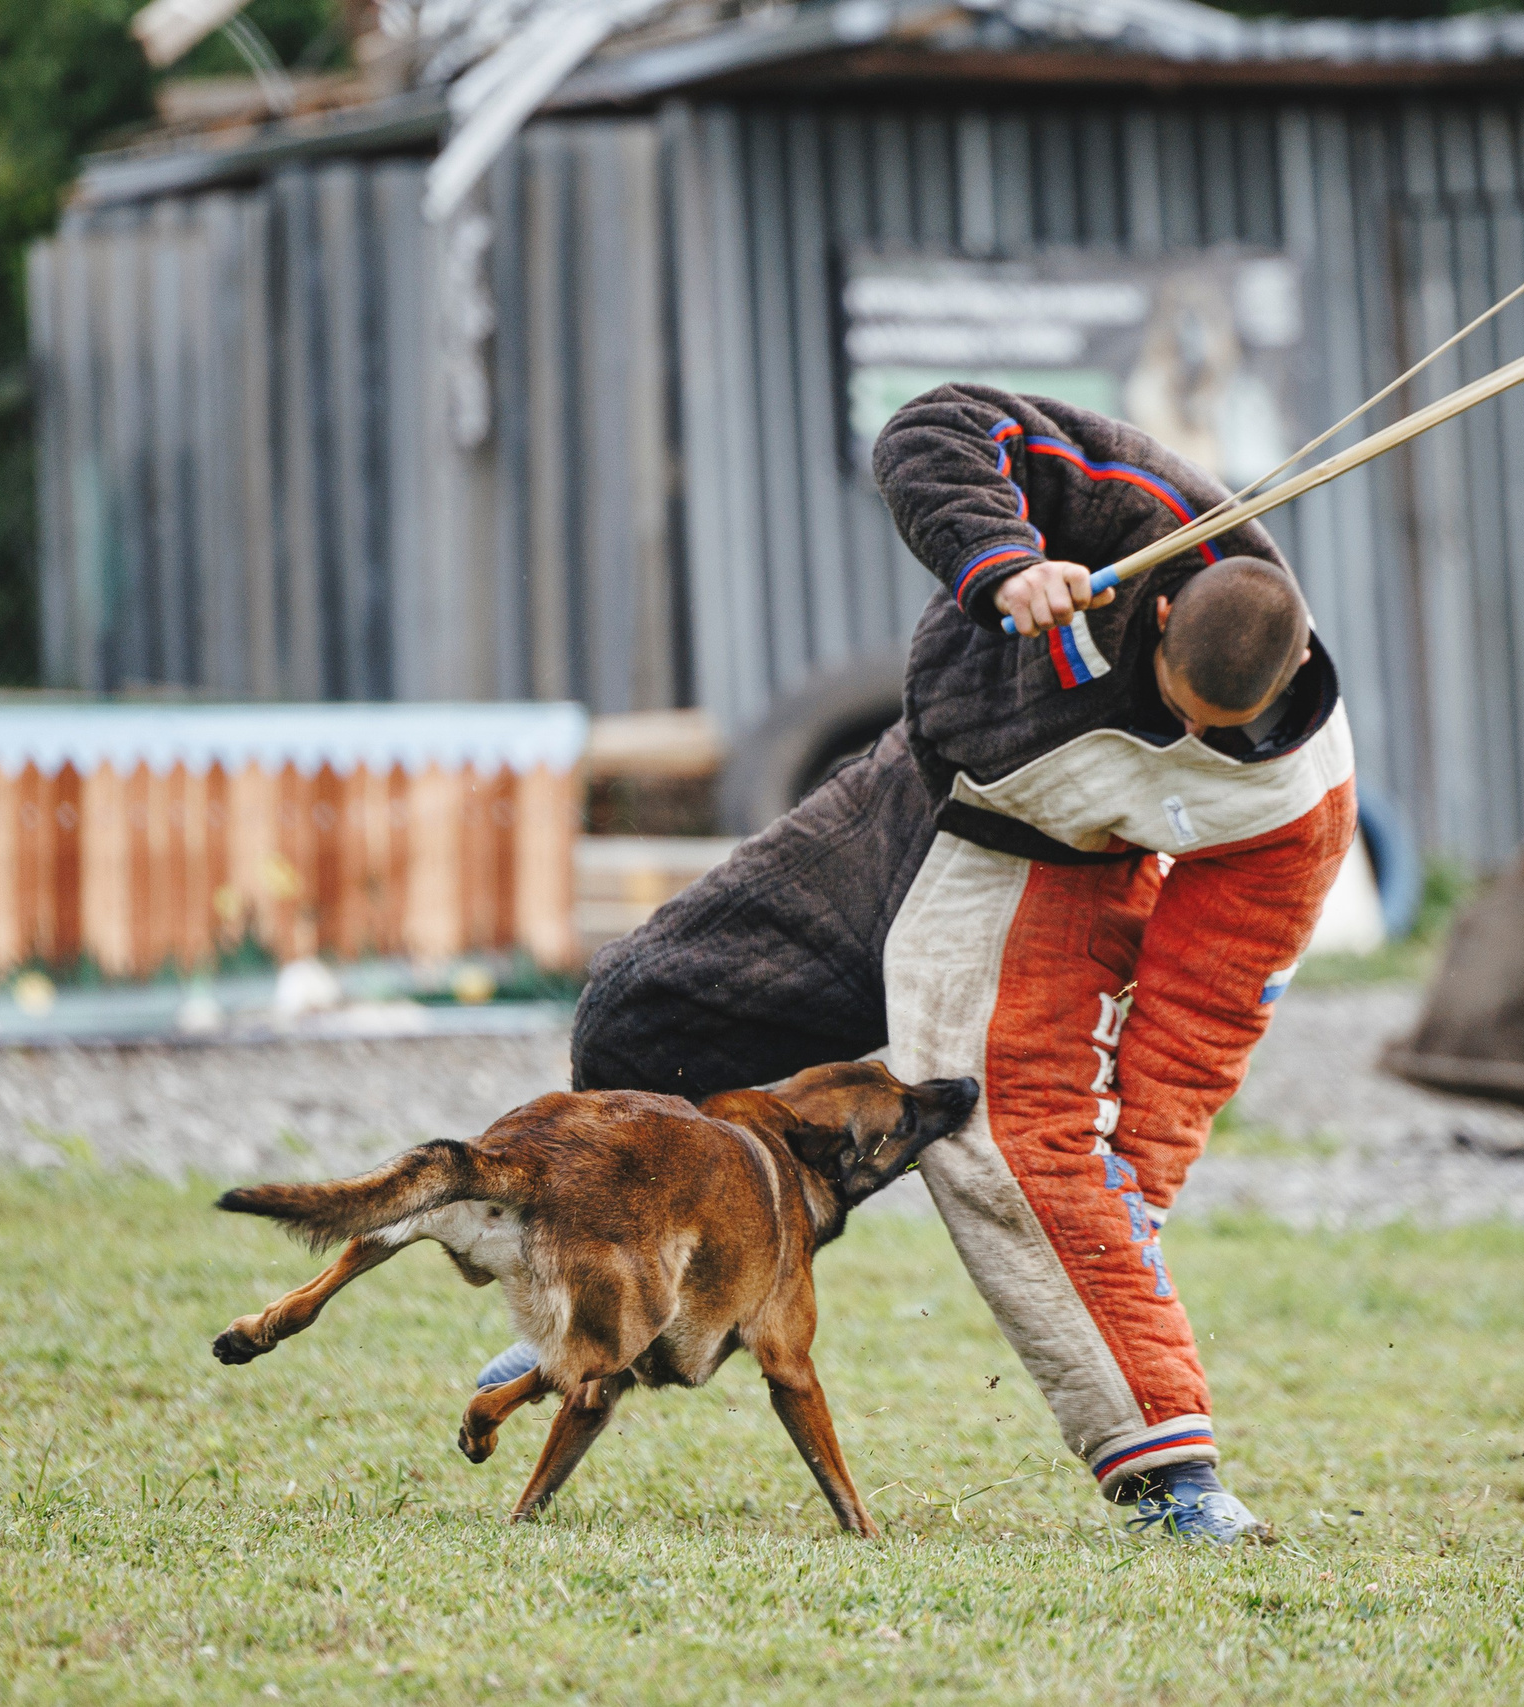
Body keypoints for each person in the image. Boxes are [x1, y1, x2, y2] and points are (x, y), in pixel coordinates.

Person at [490, 383, 1355, 1542]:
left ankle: (1171, 1481)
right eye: (1184, 712)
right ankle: (616, 1307)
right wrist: (999, 561)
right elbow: (939, 425)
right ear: (1159, 620)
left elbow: (1205, 1013)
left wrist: (1129, 1188)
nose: (1198, 743)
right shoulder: (1144, 511)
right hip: (919, 795)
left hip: (1051, 873)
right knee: (643, 1014)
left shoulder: (1291, 801)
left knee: (1018, 1161)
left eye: (1221, 733)